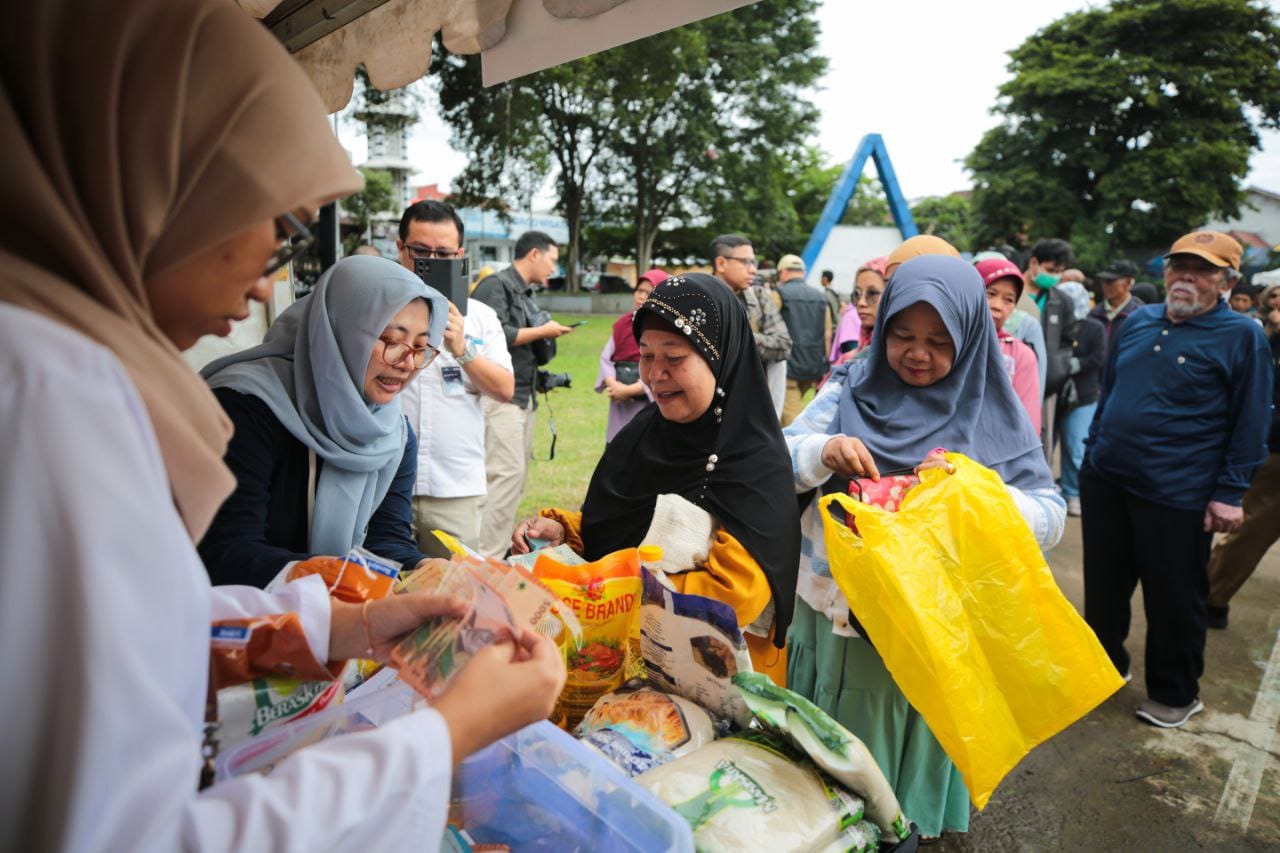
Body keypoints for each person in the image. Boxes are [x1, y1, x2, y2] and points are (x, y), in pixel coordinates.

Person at [0, 2, 566, 849]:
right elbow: (127, 829)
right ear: (162, 181)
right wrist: (443, 736)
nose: (268, 287)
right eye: (269, 233)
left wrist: (345, 623)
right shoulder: (53, 392)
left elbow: (135, 634)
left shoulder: (57, 367)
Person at [784, 255, 1066, 839]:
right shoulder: (849, 384)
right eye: (903, 335)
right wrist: (824, 451)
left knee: (895, 761)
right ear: (881, 327)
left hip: (927, 625)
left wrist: (974, 494)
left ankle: (900, 831)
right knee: (827, 751)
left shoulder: (992, 409)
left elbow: (1050, 514)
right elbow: (779, 456)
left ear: (970, 338)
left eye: (940, 340)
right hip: (833, 606)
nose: (919, 353)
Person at [511, 274, 801, 683]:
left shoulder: (753, 461)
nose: (654, 374)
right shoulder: (645, 433)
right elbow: (615, 524)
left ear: (719, 357)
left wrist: (609, 595)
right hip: (612, 663)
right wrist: (564, 530)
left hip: (711, 682)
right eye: (645, 355)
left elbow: (736, 595)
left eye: (674, 357)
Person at [1082, 231, 1272, 729]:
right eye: (1178, 266)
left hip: (1178, 493)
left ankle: (1175, 692)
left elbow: (1251, 422)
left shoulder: (1242, 336)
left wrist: (1230, 493)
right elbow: (1110, 392)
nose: (1186, 277)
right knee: (1103, 590)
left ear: (1228, 281)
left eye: (1203, 269)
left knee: (1173, 599)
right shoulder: (1139, 320)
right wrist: (1093, 450)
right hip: (1107, 480)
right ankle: (1103, 670)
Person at [199, 256, 449, 586]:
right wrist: (338, 575)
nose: (407, 363)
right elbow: (225, 552)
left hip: (331, 619)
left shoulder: (393, 433)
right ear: (337, 330)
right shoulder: (245, 407)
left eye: (420, 347)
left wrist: (424, 568)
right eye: (390, 339)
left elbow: (385, 541)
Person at [396, 200, 514, 549]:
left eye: (444, 254)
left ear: (460, 255)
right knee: (383, 592)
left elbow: (505, 389)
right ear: (401, 248)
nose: (432, 262)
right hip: (383, 481)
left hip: (454, 487)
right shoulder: (375, 309)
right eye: (421, 251)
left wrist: (461, 348)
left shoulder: (479, 316)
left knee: (453, 596)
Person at [470, 231, 574, 557]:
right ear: (533, 254)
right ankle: (485, 558)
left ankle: (498, 552)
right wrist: (544, 331)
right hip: (501, 400)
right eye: (552, 260)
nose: (553, 269)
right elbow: (491, 335)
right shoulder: (495, 286)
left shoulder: (523, 291)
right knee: (503, 477)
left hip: (524, 397)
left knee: (515, 479)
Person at [710, 234, 791, 419]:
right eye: (745, 262)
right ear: (721, 263)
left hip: (752, 404)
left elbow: (784, 345)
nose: (753, 270)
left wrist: (737, 336)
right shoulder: (700, 297)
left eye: (753, 262)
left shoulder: (759, 297)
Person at [1054, 282, 1106, 517]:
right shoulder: (1054, 323)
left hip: (1083, 395)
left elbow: (1099, 357)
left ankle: (1075, 492)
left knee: (1076, 446)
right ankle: (1062, 490)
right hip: (1054, 392)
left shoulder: (1094, 327)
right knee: (1049, 444)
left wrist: (1077, 364)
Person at [597, 268, 666, 441]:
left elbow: (664, 366)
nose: (641, 296)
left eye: (648, 292)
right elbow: (606, 358)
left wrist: (632, 389)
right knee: (619, 443)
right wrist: (614, 386)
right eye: (639, 290)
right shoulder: (622, 324)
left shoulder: (665, 329)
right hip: (621, 403)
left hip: (648, 401)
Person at [1022, 239, 1075, 459]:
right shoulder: (1009, 292)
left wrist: (1056, 370)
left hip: (1046, 385)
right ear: (1034, 263)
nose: (1055, 276)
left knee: (1040, 438)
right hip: (1010, 375)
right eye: (1051, 270)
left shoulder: (1061, 301)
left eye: (1060, 272)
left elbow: (1067, 340)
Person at [977, 257, 1042, 432]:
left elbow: (1028, 424)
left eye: (1008, 300)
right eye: (990, 294)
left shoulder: (1020, 355)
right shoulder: (948, 344)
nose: (997, 306)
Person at [777, 254, 832, 425]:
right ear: (802, 272)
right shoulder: (821, 297)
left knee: (791, 417)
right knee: (793, 408)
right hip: (813, 365)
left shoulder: (779, 294)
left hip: (788, 366)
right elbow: (828, 334)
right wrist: (825, 362)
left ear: (783, 272)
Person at [831, 257, 888, 362]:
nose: (861, 303)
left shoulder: (897, 361)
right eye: (857, 294)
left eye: (872, 293)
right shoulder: (851, 358)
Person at [1088, 259, 1144, 344]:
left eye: (1110, 281)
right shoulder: (1094, 313)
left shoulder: (1140, 314)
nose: (1105, 285)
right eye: (1104, 280)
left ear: (1129, 282)